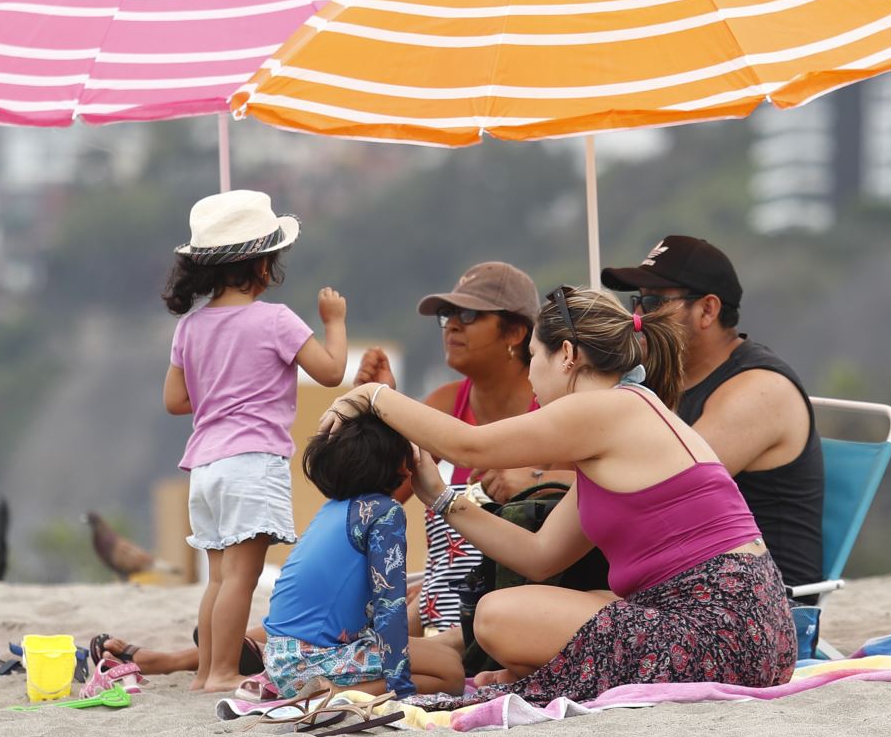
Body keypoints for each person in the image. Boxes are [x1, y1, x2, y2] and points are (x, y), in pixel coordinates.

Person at [321, 285, 797, 703]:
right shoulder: (624, 413)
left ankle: (550, 674)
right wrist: (441, 498)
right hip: (761, 634)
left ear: (567, 354)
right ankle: (551, 673)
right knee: (554, 603)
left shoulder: (605, 408)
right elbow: (538, 556)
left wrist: (373, 398)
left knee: (496, 615)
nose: (529, 375)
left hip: (724, 633)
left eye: (533, 356)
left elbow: (468, 442)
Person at [163, 190, 348, 693]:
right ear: (263, 267)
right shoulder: (276, 320)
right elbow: (331, 374)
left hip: (205, 467)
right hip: (251, 462)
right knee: (243, 577)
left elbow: (177, 400)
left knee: (219, 577)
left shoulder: (191, 325)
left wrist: (220, 388)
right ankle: (223, 670)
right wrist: (334, 323)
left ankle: (205, 670)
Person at [350, 262, 569, 638]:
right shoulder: (446, 402)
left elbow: (597, 490)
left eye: (468, 314)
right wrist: (378, 419)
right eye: (446, 314)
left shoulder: (555, 406)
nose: (452, 324)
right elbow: (380, 498)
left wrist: (537, 479)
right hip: (452, 601)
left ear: (516, 331)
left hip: (538, 596)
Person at [600, 236, 825, 591]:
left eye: (655, 301)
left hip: (762, 606)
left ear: (707, 310)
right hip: (690, 582)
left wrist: (541, 479)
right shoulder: (668, 377)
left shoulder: (760, 391)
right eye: (637, 301)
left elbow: (658, 489)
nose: (639, 316)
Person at [262, 411, 465, 699]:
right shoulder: (384, 512)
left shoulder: (335, 508)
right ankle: (331, 695)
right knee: (451, 673)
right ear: (400, 464)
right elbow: (390, 606)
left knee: (442, 656)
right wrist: (401, 688)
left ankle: (336, 689)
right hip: (311, 660)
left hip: (282, 658)